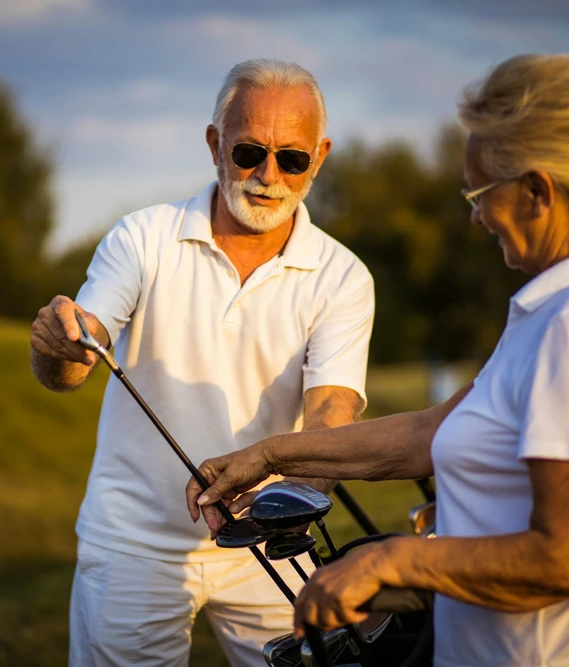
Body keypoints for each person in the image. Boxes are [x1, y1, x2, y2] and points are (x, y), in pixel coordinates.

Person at [187, 53, 569, 667]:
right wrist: (269, 455)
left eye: (481, 192)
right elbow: (433, 432)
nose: (477, 215)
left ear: (537, 191)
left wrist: (391, 560)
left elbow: (565, 557)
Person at [30, 59, 375, 666]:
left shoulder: (343, 276)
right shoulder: (142, 237)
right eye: (249, 152)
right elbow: (80, 353)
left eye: (292, 159)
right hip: (135, 544)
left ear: (318, 158)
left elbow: (332, 416)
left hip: (272, 540)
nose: (269, 176)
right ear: (215, 143)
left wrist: (284, 504)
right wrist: (61, 348)